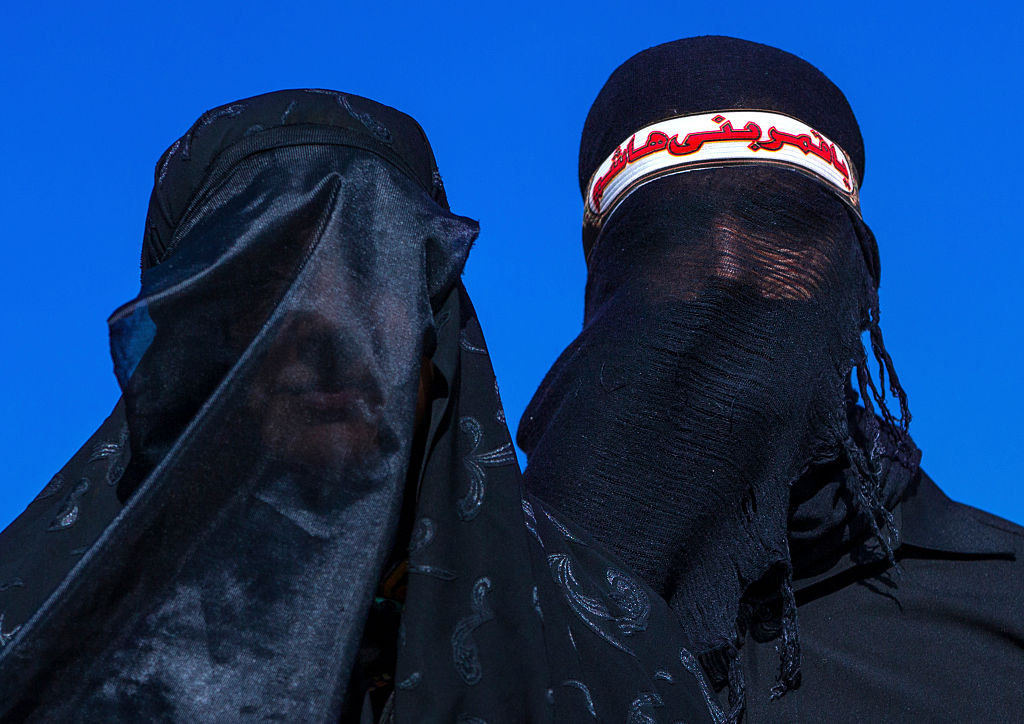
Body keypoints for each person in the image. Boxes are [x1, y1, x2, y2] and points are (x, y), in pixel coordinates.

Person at [0, 89, 716, 722]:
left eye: (375, 266)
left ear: (436, 312)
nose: (332, 323)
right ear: (193, 329)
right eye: (278, 279)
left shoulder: (607, 652)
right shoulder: (28, 633)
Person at [517, 36, 1024, 721]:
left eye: (777, 227)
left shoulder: (1003, 614)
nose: (729, 271)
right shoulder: (502, 612)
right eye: (678, 237)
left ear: (857, 276)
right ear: (607, 282)